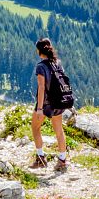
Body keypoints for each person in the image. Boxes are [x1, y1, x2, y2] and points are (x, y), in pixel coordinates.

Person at [29, 38, 71, 171]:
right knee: (59, 130)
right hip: (59, 101)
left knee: (35, 127)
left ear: (39, 51)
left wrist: (40, 108)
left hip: (47, 103)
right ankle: (62, 160)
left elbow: (41, 87)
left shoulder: (41, 66)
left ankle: (41, 158)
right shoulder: (58, 62)